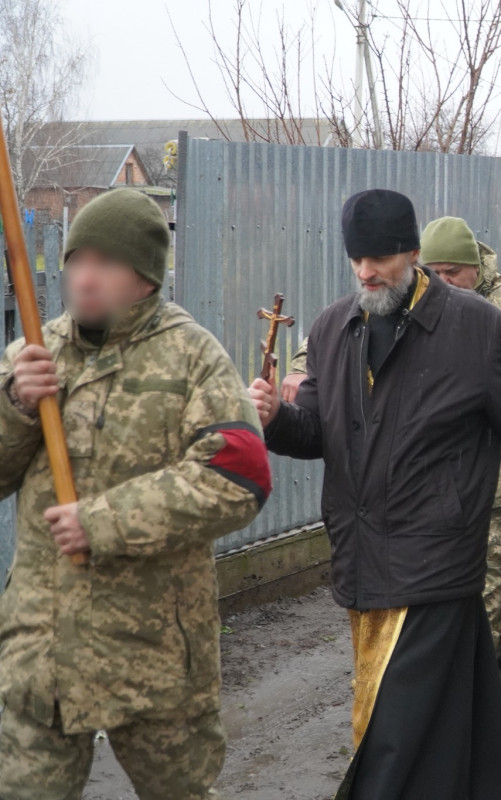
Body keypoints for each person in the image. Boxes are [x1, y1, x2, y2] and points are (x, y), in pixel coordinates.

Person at [250, 189, 501, 798]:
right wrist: (275, 421)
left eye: (382, 259)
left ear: (412, 253)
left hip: (436, 559)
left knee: (396, 732)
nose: (367, 272)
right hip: (362, 555)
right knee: (447, 724)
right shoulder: (335, 327)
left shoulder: (475, 327)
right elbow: (317, 433)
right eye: (357, 259)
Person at [0, 189, 273, 799]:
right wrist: (16, 406)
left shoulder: (191, 358)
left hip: (152, 659)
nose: (85, 277)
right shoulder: (34, 358)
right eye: (78, 260)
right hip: (43, 654)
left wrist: (103, 523)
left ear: (145, 277)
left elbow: (240, 476)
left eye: (106, 262)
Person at [419, 217, 501, 659]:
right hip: (439, 457)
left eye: (452, 272)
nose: (443, 282)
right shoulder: (414, 303)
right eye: (433, 272)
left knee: (485, 557)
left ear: (474, 267)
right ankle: (500, 627)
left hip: (496, 456)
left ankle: (489, 646)